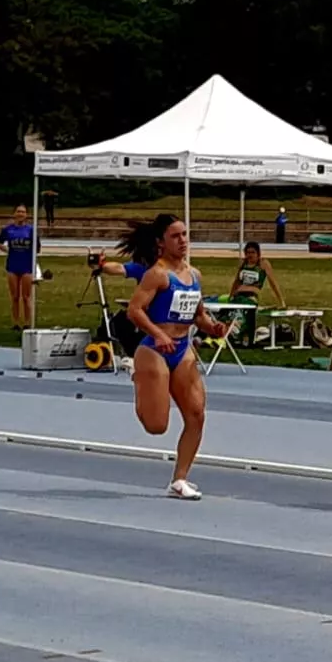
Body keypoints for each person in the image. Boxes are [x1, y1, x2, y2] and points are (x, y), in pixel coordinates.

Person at [120, 214, 227, 501]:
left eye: (185, 235)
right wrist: (158, 334)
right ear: (161, 242)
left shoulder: (194, 276)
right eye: (175, 236)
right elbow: (135, 310)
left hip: (182, 351)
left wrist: (213, 327)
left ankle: (179, 479)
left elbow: (198, 315)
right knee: (157, 426)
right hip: (154, 350)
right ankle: (138, 376)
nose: (182, 241)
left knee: (196, 414)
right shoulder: (157, 274)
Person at [223, 240, 286, 346]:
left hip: (251, 297)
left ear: (258, 253)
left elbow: (273, 283)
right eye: (247, 252)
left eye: (252, 252)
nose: (250, 255)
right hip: (238, 295)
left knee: (247, 315)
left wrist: (281, 301)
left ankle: (247, 338)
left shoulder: (263, 264)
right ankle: (230, 336)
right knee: (227, 314)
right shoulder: (243, 263)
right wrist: (231, 296)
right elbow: (236, 281)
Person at [0, 203, 36, 330]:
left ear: (26, 215)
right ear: (14, 214)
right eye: (18, 211)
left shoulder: (31, 230)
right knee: (15, 296)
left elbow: (37, 248)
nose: (20, 214)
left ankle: (28, 322)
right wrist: (7, 250)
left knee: (26, 296)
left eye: (23, 212)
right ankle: (16, 322)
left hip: (26, 265)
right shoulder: (8, 229)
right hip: (12, 265)